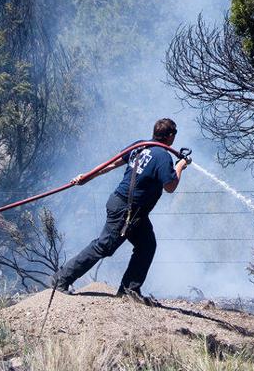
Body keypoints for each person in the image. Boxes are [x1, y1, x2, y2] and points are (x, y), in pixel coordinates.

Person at [52, 117, 189, 303]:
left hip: (132, 210)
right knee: (104, 246)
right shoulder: (163, 157)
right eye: (175, 134)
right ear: (170, 136)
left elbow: (110, 164)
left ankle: (129, 291)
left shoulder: (140, 145)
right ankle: (61, 279)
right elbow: (170, 186)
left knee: (147, 245)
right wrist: (180, 166)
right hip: (126, 211)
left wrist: (87, 177)